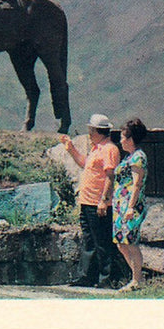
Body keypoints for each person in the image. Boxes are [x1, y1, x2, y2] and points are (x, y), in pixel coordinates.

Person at [61, 113, 123, 288]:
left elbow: (110, 176)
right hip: (87, 202)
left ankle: (107, 278)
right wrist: (71, 148)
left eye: (91, 130)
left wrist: (104, 200)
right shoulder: (96, 148)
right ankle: (87, 276)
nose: (89, 134)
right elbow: (85, 164)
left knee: (102, 241)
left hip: (98, 203)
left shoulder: (110, 149)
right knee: (89, 240)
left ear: (99, 131)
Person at [112, 118, 150, 291]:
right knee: (121, 242)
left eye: (123, 137)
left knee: (131, 241)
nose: (120, 141)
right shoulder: (129, 157)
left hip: (131, 206)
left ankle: (137, 280)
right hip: (121, 205)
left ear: (131, 138)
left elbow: (136, 184)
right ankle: (137, 277)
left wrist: (130, 207)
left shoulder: (138, 157)